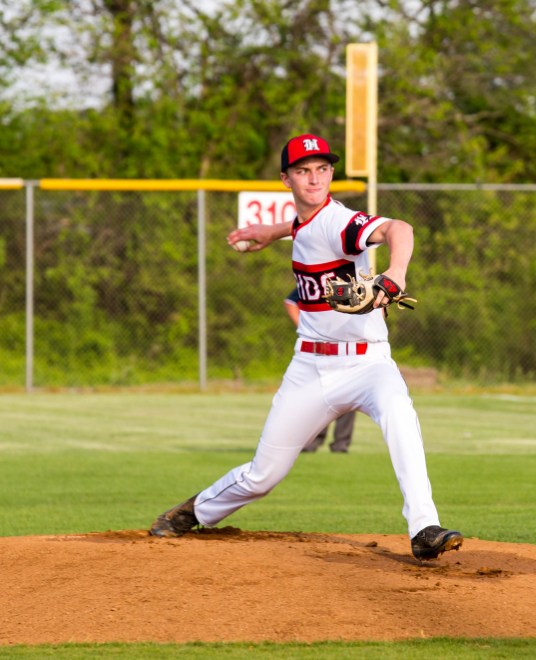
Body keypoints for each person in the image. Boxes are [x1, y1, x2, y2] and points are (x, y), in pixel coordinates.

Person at [149, 134, 462, 561]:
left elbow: (397, 228)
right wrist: (271, 232)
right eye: (302, 170)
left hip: (369, 363)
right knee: (262, 476)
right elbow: (302, 225)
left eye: (322, 169)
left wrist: (397, 273)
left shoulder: (341, 223)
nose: (314, 178)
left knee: (400, 416)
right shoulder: (305, 222)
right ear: (286, 179)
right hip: (310, 368)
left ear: (331, 173)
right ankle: (195, 510)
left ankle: (424, 528)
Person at [284, 286, 356, 453]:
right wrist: (303, 327)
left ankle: (341, 444)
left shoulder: (351, 281)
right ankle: (313, 441)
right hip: (320, 346)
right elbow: (290, 302)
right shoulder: (316, 281)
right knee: (317, 392)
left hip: (347, 344)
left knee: (349, 392)